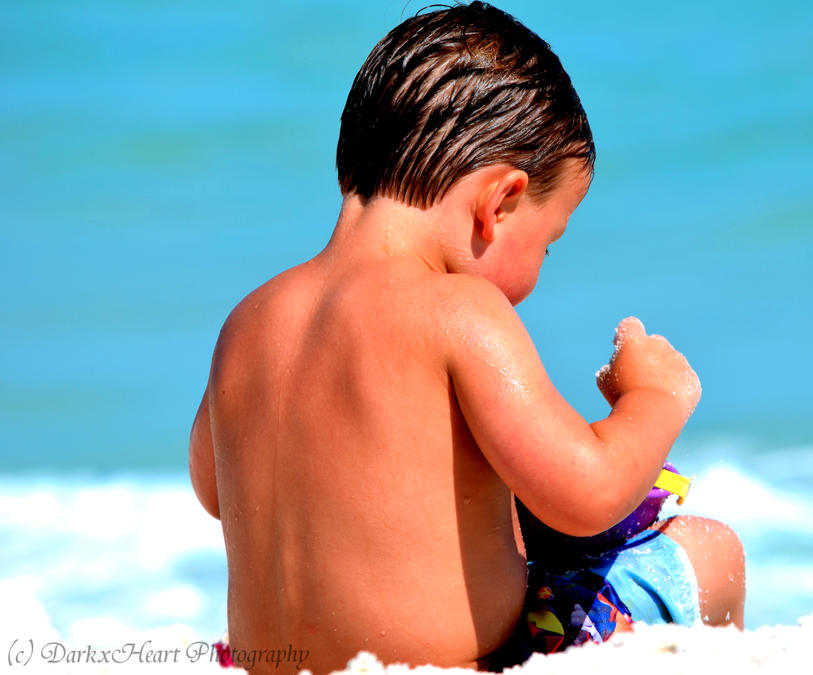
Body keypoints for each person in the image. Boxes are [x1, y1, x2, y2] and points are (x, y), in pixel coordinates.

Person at [188, 3, 745, 673]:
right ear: (500, 203)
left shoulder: (249, 321)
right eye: (548, 243)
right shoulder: (459, 309)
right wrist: (656, 396)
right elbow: (588, 490)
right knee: (712, 550)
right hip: (458, 664)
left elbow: (214, 488)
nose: (538, 274)